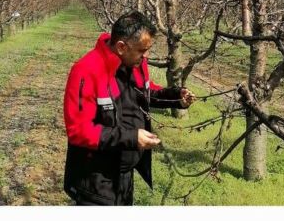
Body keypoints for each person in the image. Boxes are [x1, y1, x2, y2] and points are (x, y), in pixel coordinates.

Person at [62, 11, 195, 205]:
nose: (146, 55)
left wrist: (175, 97)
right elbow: (78, 130)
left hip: (124, 177)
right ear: (122, 47)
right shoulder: (86, 71)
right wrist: (131, 137)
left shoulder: (135, 63)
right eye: (142, 50)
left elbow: (143, 93)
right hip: (96, 180)